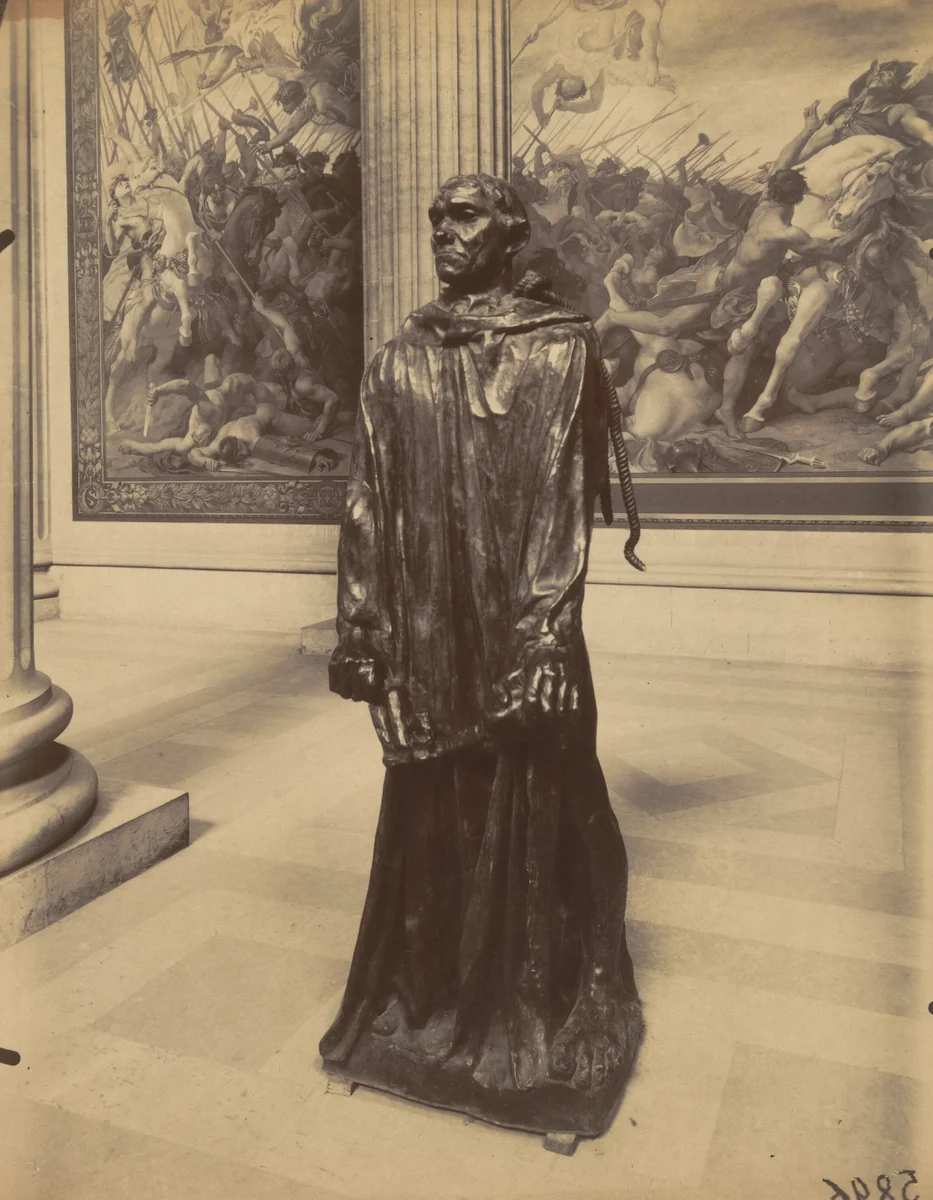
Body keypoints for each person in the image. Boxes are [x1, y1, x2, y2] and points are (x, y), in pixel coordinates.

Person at [319, 173, 643, 1137]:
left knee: (538, 794)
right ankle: (426, 1006)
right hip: (427, 627)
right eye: (435, 221)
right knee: (429, 798)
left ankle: (531, 1020)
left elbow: (560, 493)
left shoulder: (560, 349)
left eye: (464, 218)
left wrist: (546, 628)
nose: (442, 234)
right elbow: (367, 496)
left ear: (510, 234)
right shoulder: (399, 359)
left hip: (518, 628)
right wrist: (363, 626)